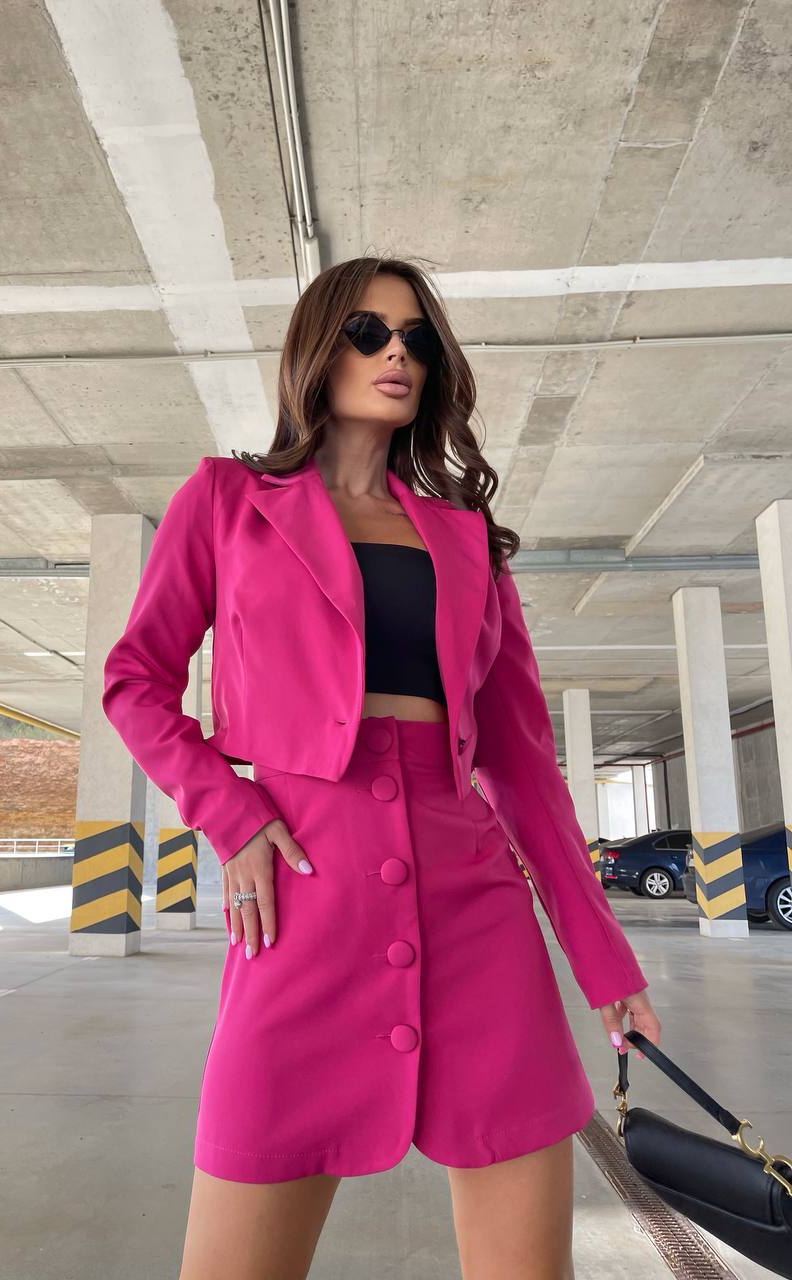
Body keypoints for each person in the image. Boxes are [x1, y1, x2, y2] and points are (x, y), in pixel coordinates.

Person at [102, 255, 661, 1280]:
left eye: (415, 336)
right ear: (319, 352)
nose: (395, 351)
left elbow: (522, 761)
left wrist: (602, 954)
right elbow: (136, 679)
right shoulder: (226, 500)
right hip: (303, 897)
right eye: (367, 331)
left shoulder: (467, 541)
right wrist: (230, 813)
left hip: (477, 905)